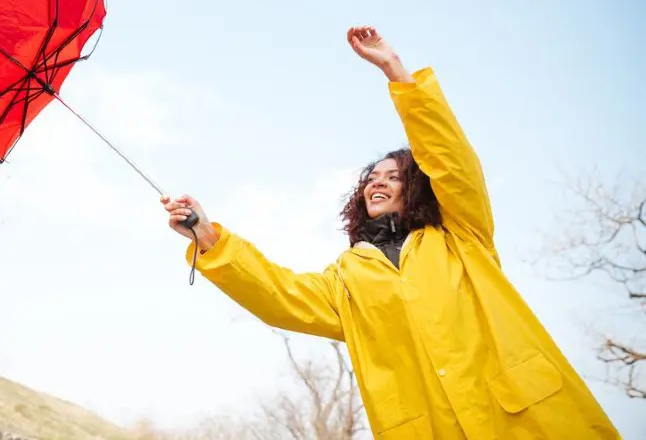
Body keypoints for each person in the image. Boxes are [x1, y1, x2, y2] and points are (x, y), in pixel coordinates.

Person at [160, 26, 620, 439]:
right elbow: (278, 295)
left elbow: (451, 160)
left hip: (530, 421)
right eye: (371, 178)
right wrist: (208, 238)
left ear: (417, 187)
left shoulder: (461, 233)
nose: (377, 181)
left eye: (393, 176)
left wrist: (396, 73)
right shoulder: (347, 280)